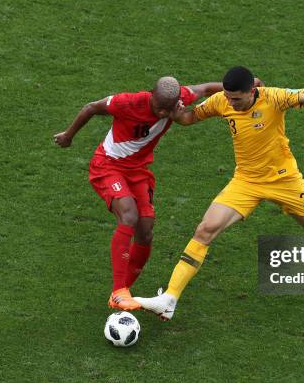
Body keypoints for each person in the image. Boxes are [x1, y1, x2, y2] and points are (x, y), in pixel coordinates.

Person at [134, 66, 304, 320]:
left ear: (252, 91)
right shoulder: (222, 101)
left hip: (285, 181)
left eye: (236, 98)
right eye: (227, 96)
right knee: (205, 230)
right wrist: (177, 113)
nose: (230, 103)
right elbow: (190, 119)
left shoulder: (274, 97)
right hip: (245, 182)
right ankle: (169, 299)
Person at [53, 77, 225, 311]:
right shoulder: (128, 102)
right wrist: (68, 135)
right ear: (151, 95)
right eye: (159, 107)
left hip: (137, 171)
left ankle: (124, 292)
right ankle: (118, 292)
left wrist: (243, 87)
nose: (163, 113)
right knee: (129, 216)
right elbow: (91, 107)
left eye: (168, 108)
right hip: (108, 165)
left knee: (145, 230)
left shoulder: (179, 100)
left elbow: (204, 89)